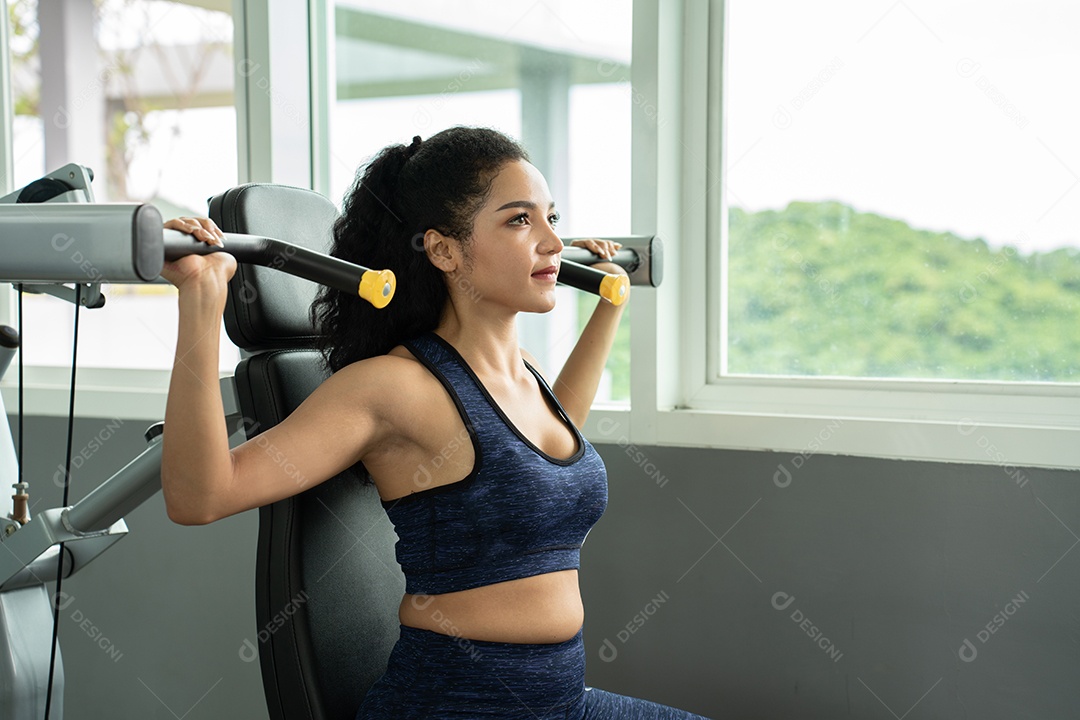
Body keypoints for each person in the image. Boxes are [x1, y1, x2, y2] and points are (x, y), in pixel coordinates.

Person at [159, 126, 710, 719]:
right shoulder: (395, 387)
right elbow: (200, 496)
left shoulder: (524, 372)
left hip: (562, 704)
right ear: (444, 251)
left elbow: (545, 446)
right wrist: (201, 302)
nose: (553, 242)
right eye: (520, 221)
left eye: (551, 218)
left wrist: (608, 305)